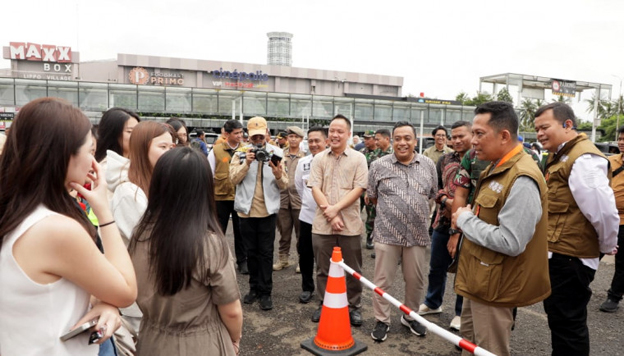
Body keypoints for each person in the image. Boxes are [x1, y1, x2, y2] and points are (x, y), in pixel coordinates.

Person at [0, 97, 137, 355]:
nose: (93, 161)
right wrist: (104, 211)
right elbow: (127, 291)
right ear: (64, 156)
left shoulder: (17, 214)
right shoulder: (55, 229)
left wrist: (105, 302)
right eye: (90, 150)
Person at [451, 101, 551, 356]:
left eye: (479, 134)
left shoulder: (522, 177)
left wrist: (464, 220)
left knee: (488, 350)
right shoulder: (498, 166)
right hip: (480, 282)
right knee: (469, 346)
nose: (473, 141)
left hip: (495, 288)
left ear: (504, 135)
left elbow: (511, 241)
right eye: (473, 133)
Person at [129, 147, 243, 356]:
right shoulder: (209, 243)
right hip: (201, 343)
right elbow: (232, 311)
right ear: (203, 188)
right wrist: (234, 339)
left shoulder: (140, 233)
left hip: (151, 339)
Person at [535, 102, 619, 356]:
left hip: (571, 257)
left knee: (568, 326)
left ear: (567, 125)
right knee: (561, 322)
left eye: (545, 127)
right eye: (537, 128)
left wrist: (604, 246)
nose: (539, 133)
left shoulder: (584, 158)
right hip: (560, 253)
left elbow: (603, 211)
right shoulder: (560, 155)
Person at [368, 121, 436, 342]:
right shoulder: (378, 165)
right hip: (387, 234)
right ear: (392, 141)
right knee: (382, 281)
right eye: (398, 138)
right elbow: (372, 197)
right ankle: (382, 320)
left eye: (407, 138)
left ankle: (410, 316)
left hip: (417, 235)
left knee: (415, 280)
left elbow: (432, 195)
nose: (402, 143)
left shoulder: (428, 165)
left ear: (415, 141)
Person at [308, 114, 367, 326]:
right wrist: (330, 214)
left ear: (349, 134)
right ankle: (324, 303)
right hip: (323, 224)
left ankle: (353, 306)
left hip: (349, 224)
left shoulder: (359, 159)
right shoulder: (318, 158)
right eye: (332, 130)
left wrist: (335, 210)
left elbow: (359, 188)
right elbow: (315, 187)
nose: (334, 135)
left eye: (340, 131)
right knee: (323, 268)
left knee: (353, 269)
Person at [419, 120, 472, 331]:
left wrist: (460, 210)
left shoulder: (479, 159)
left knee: (463, 270)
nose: (457, 140)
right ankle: (433, 303)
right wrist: (446, 202)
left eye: (462, 136)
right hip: (441, 220)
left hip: (467, 224)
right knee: (436, 266)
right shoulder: (444, 159)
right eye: (454, 136)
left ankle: (460, 313)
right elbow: (437, 188)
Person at [230, 116, 287, 311]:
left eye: (261, 137)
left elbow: (285, 184)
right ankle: (253, 288)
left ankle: (266, 292)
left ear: (267, 134)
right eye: (254, 138)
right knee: (251, 253)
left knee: (266, 253)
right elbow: (233, 180)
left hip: (267, 212)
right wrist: (246, 163)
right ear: (248, 137)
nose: (258, 141)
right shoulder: (240, 154)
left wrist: (278, 172)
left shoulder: (277, 153)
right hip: (246, 212)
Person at [107, 121, 177, 245]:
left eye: (171, 148)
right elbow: (147, 243)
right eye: (163, 147)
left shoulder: (160, 182)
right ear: (143, 148)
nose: (169, 153)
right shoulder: (128, 192)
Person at [208, 119, 247, 274]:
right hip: (220, 198)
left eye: (241, 132)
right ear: (227, 134)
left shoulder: (246, 149)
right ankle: (216, 260)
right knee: (218, 232)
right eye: (236, 133)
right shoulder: (216, 150)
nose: (240, 135)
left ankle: (242, 261)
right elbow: (209, 174)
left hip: (240, 197)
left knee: (241, 232)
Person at [295, 126, 328, 304]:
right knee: (305, 254)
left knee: (327, 256)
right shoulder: (303, 162)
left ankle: (329, 291)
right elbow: (299, 188)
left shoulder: (333, 161)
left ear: (326, 141)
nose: (314, 144)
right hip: (307, 216)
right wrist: (309, 203)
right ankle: (307, 288)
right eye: (311, 141)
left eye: (318, 141)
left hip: (329, 216)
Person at [274, 126, 306, 271]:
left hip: (299, 200)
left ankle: (302, 260)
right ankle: (283, 259)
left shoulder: (305, 157)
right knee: (284, 233)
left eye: (296, 137)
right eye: (291, 136)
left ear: (301, 139)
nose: (293, 139)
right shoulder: (280, 154)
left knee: (301, 234)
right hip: (282, 199)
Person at [600, 125, 624, 313]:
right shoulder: (610, 161)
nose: (621, 142)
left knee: (622, 262)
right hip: (605, 217)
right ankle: (580, 286)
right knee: (592, 252)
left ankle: (614, 297)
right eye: (620, 138)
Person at [367, 128, 394, 256]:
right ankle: (379, 250)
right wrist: (368, 191)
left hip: (391, 196)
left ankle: (395, 252)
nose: (375, 141)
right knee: (377, 222)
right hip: (376, 196)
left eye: (378, 139)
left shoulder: (395, 154)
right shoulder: (374, 154)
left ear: (387, 139)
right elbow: (369, 174)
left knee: (392, 224)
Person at [360, 130, 377, 249]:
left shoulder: (380, 153)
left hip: (371, 189)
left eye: (368, 138)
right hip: (359, 188)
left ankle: (369, 236)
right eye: (364, 138)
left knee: (371, 214)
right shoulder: (361, 153)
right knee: (354, 212)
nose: (365, 141)